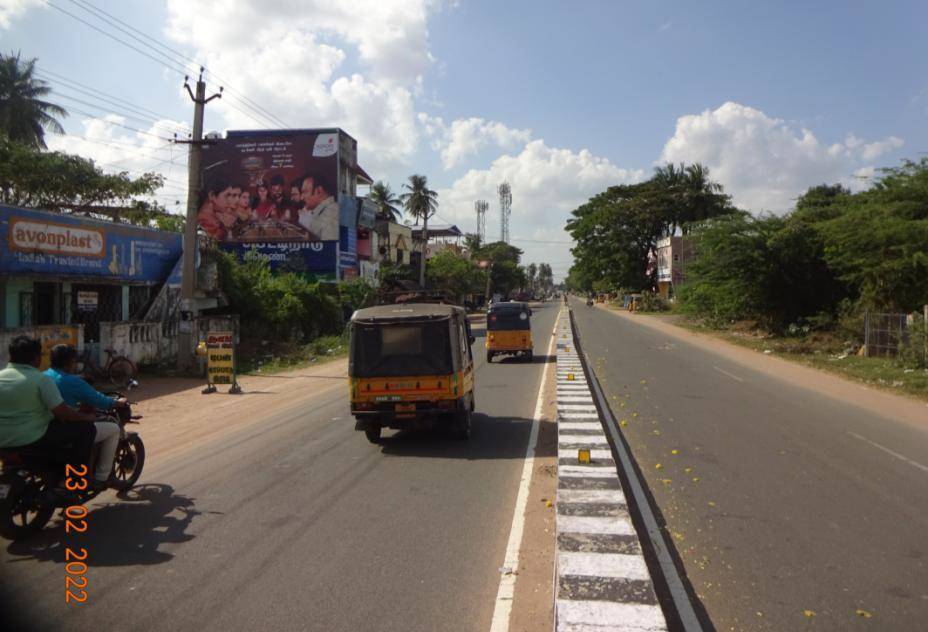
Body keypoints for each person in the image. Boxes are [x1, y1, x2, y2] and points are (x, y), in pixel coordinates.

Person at [0, 336, 98, 493]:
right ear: (36, 358)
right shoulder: (41, 380)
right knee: (87, 429)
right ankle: (72, 478)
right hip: (31, 438)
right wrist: (86, 417)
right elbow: (63, 412)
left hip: (3, 441)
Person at [44, 345, 123, 488]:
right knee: (113, 429)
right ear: (69, 362)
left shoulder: (43, 376)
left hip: (46, 427)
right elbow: (99, 400)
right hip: (65, 426)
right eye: (74, 361)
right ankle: (101, 477)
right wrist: (117, 403)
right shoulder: (72, 381)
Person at [297, 174, 339, 240]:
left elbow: (329, 247)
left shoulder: (332, 214)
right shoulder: (324, 211)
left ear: (319, 191)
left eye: (305, 192)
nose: (302, 198)